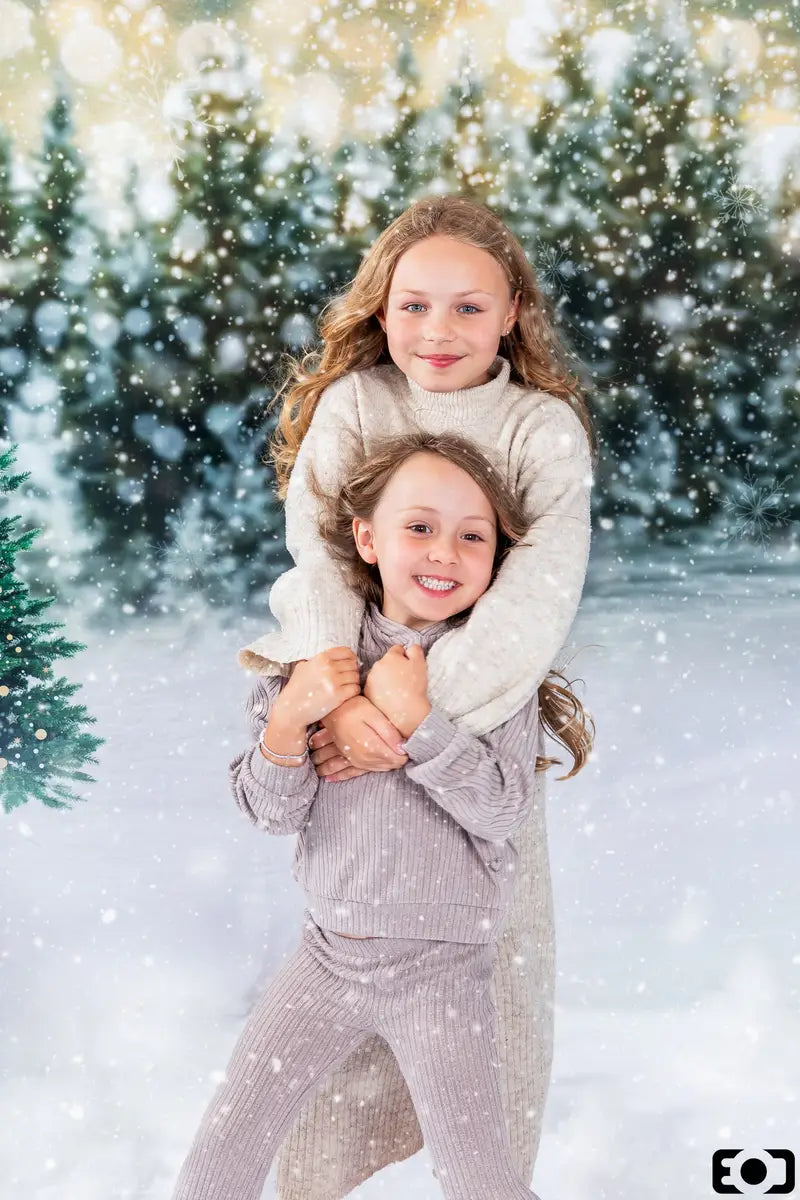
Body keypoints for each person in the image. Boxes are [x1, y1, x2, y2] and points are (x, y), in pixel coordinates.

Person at [234, 193, 597, 1199]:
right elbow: (313, 549)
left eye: (468, 309)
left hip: (474, 724)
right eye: (415, 306)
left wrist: (412, 712)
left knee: (495, 990)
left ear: (513, 312)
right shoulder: (356, 406)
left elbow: (534, 599)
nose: (438, 332)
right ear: (380, 310)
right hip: (343, 706)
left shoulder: (539, 428)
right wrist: (333, 692)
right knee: (349, 962)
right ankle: (317, 1178)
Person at [171, 432, 595, 1200]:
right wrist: (289, 721)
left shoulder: (495, 674)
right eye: (421, 527)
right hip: (326, 962)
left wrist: (420, 723)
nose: (446, 553)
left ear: (499, 560)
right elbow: (269, 810)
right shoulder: (315, 656)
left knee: (482, 1179)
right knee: (220, 1158)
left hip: (441, 975)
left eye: (474, 536)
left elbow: (501, 810)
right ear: (367, 538)